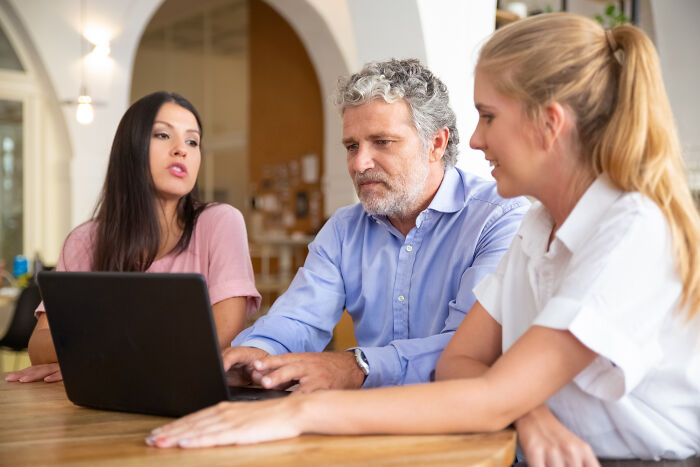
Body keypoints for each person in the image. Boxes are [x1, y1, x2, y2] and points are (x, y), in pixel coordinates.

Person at [147, 14, 700, 463]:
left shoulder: (624, 229)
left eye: (486, 116)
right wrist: (259, 358)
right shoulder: (539, 225)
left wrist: (302, 407)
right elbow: (467, 364)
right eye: (351, 146)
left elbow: (489, 392)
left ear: (549, 124)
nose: (476, 139)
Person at [220, 58, 527, 393]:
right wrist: (258, 355)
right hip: (370, 425)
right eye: (352, 146)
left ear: (436, 145)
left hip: (468, 425)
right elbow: (299, 318)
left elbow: (467, 349)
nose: (359, 163)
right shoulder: (343, 229)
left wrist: (357, 366)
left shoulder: (499, 218)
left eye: (382, 142)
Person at [6, 91, 260, 384]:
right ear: (131, 148)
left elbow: (221, 334)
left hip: (191, 400)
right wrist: (130, 353)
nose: (182, 150)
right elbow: (39, 347)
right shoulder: (84, 240)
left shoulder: (220, 222)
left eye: (193, 141)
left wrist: (93, 356)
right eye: (163, 135)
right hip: (100, 404)